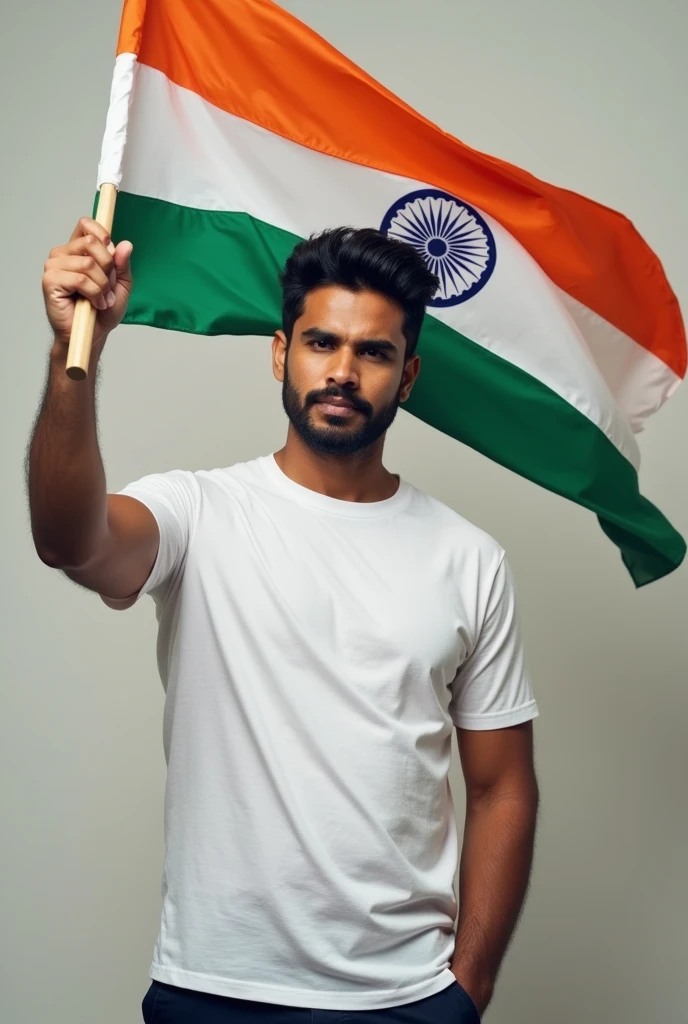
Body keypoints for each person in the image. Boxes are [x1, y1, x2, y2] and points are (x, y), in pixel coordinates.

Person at [28, 217, 540, 1024]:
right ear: (280, 353)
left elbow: (501, 785)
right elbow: (69, 540)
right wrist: (71, 356)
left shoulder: (469, 558)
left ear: (407, 377)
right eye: (321, 343)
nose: (342, 371)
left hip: (405, 999)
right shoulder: (197, 511)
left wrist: (464, 991)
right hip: (213, 990)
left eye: (373, 353)